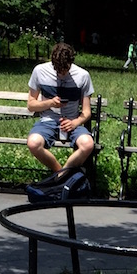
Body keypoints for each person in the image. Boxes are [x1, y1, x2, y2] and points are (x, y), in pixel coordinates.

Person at [26, 41, 96, 175]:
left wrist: (75, 122)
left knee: (87, 144)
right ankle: (60, 173)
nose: (62, 73)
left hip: (72, 121)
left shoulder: (83, 76)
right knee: (33, 143)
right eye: (58, 70)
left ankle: (63, 175)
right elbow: (31, 105)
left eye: (66, 69)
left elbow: (86, 112)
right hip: (48, 120)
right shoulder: (39, 71)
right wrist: (50, 103)